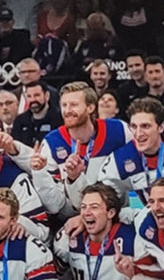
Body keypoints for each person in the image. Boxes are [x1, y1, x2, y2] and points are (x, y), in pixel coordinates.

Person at [35, 82, 130, 212]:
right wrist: (39, 172)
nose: (67, 111)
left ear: (90, 107)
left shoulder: (119, 130)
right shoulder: (52, 142)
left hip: (116, 213)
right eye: (64, 105)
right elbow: (54, 205)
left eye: (74, 105)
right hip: (71, 219)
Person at [102, 97, 164, 203]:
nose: (138, 134)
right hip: (153, 216)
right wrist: (132, 214)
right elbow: (102, 198)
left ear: (161, 127)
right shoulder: (120, 159)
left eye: (145, 126)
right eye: (133, 126)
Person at [53, 183, 139, 280]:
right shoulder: (67, 237)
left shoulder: (132, 237)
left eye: (94, 207)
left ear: (111, 213)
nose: (86, 213)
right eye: (83, 207)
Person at [10, 81, 57, 148]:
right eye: (29, 96)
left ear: (47, 96)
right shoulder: (20, 121)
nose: (33, 100)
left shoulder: (59, 118)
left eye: (37, 95)